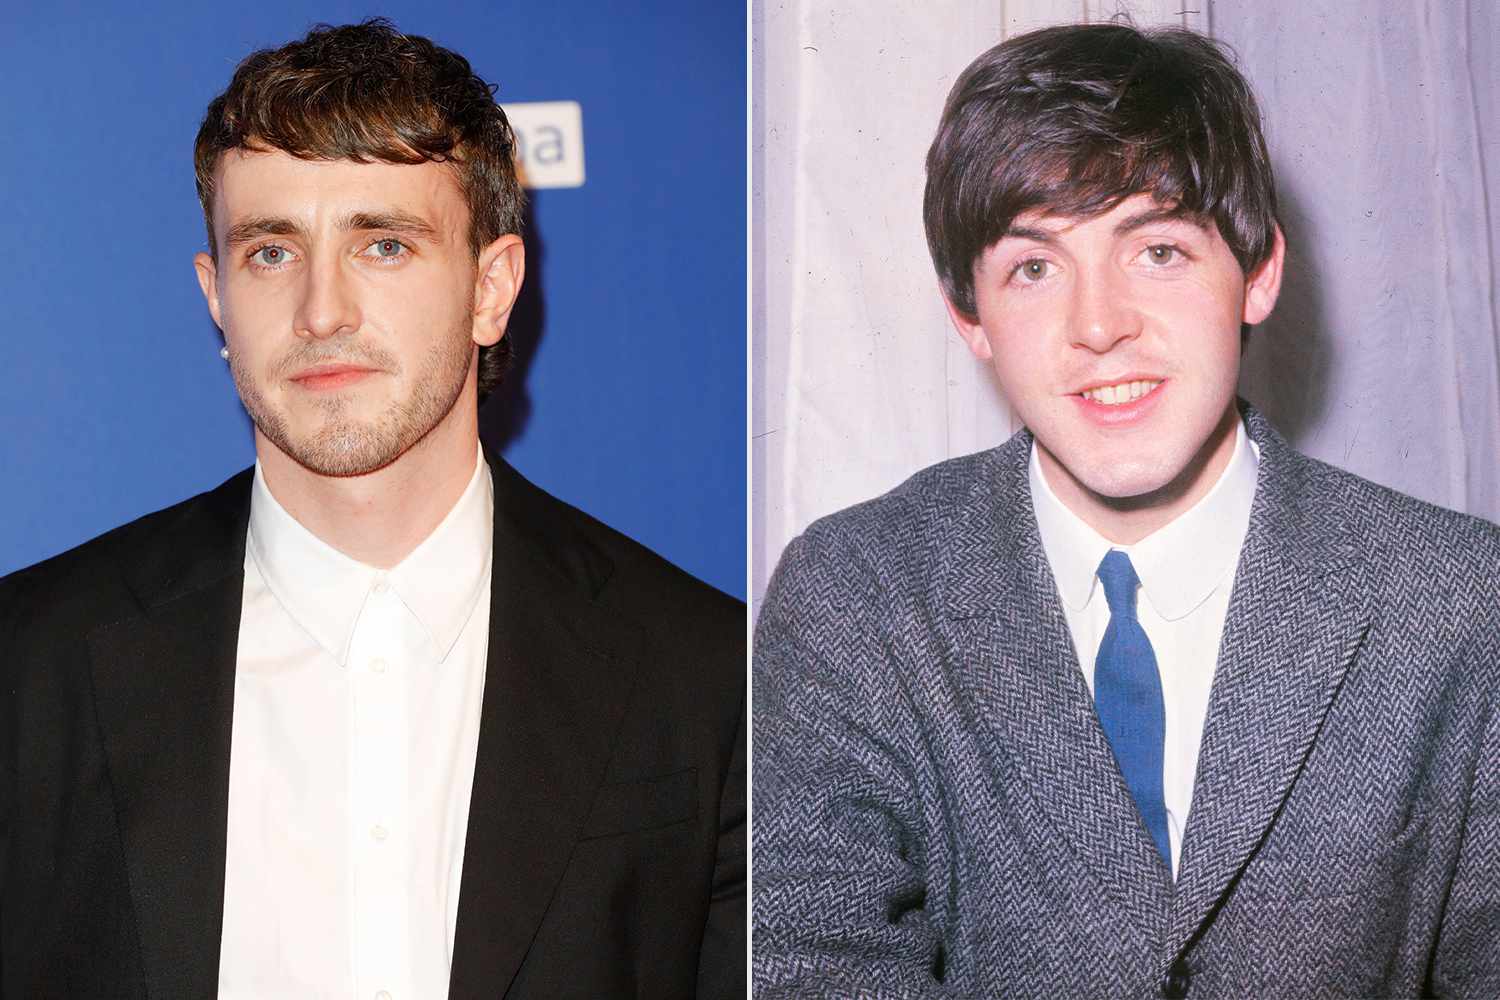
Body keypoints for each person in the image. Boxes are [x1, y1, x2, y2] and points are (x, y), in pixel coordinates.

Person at [0, 20, 744, 999]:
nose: (321, 311)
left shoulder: (708, 678)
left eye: (383, 244)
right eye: (271, 253)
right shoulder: (28, 667)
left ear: (491, 288)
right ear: (215, 297)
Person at [753, 22, 1498, 998]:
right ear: (969, 317)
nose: (1098, 325)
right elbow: (810, 960)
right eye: (1034, 267)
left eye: (1156, 250)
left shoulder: (1459, 597)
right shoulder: (855, 593)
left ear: (1258, 271)